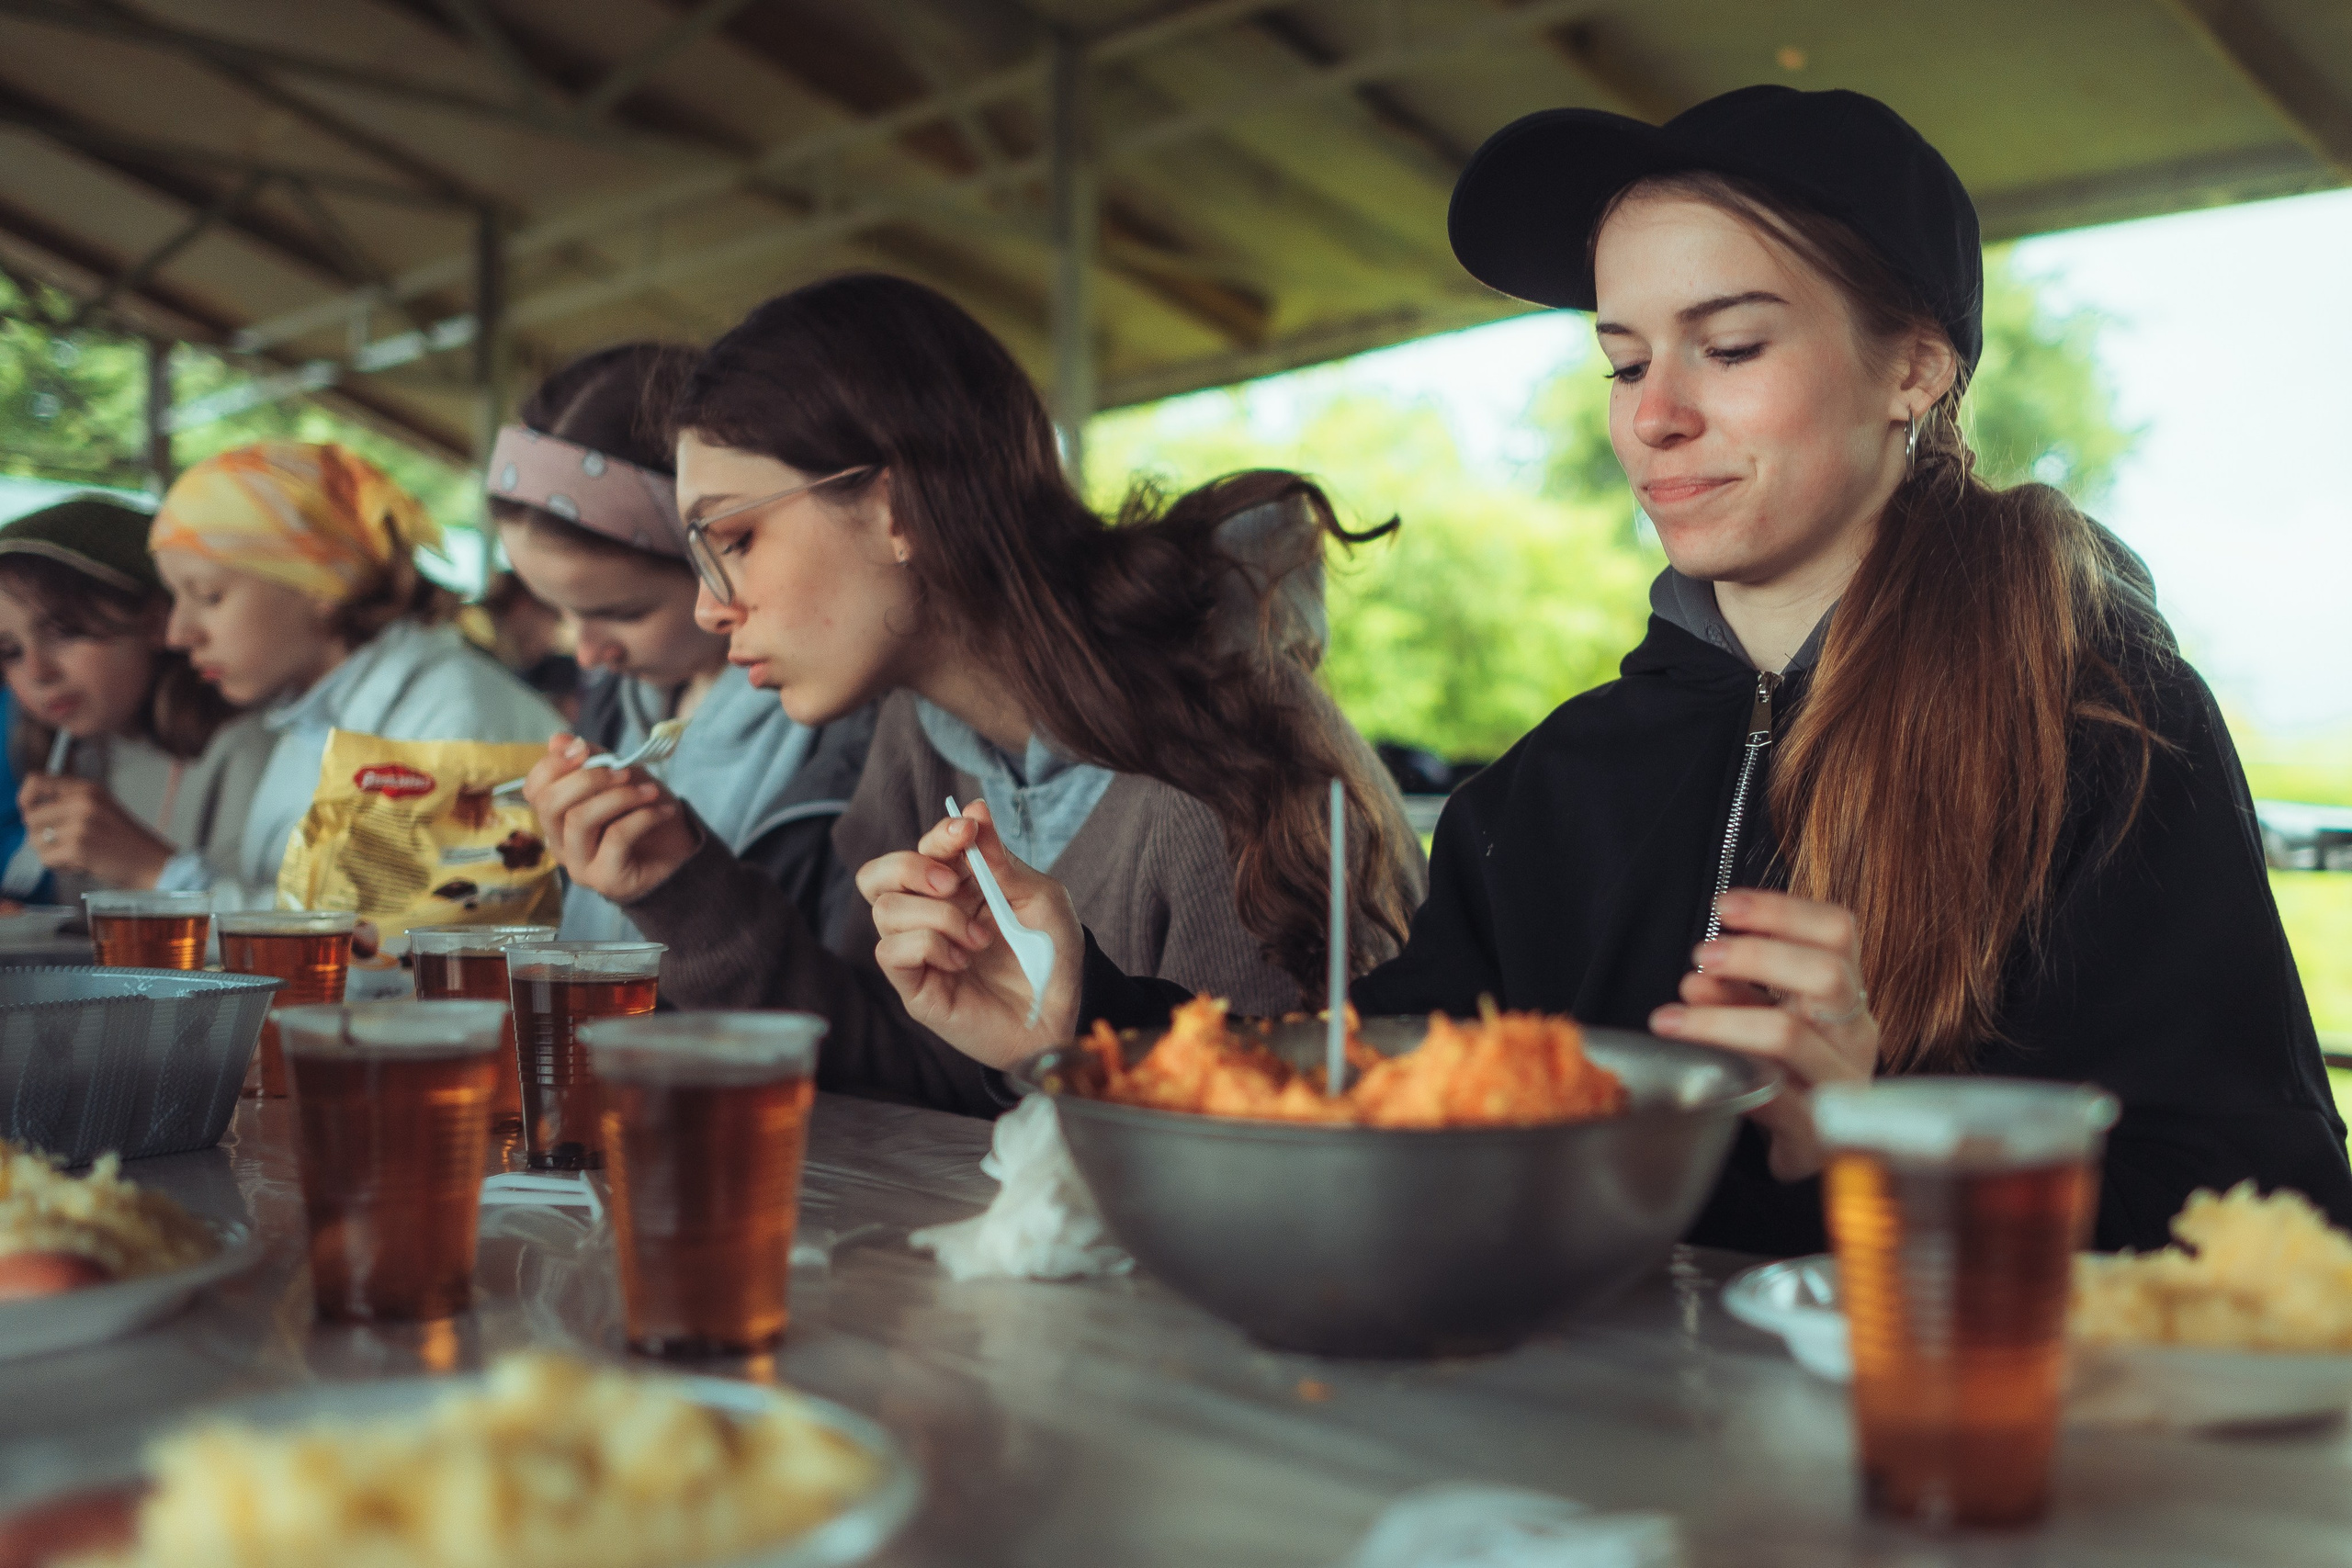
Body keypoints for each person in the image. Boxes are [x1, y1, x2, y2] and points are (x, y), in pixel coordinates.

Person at [864, 86, 2352, 1256]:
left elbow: (2275, 1210)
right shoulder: (1551, 790)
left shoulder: (2099, 715)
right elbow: (1390, 1097)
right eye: (1626, 359)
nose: (1656, 418)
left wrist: (1892, 1143)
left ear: (1917, 368)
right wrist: (1086, 1018)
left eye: (1733, 345)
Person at [523, 273, 1426, 1116]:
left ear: (897, 508)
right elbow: (914, 1076)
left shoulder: (1215, 768)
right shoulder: (922, 740)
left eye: (735, 536)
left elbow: (1313, 1142)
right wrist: (681, 883)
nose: (709, 607)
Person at [487, 344, 876, 941]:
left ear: (721, 555)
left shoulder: (844, 732)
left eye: (623, 612)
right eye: (558, 610)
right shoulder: (617, 708)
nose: (586, 653)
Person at [148, 442, 562, 908]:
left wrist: (161, 874)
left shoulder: (455, 715)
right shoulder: (310, 718)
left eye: (208, 596)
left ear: (322, 583)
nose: (177, 634)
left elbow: (393, 949)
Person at [0, 498, 273, 907]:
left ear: (157, 620)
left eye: (65, 631)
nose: (39, 672)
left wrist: (143, 864)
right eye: (11, 651)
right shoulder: (83, 757)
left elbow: (279, 933)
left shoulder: (245, 749)